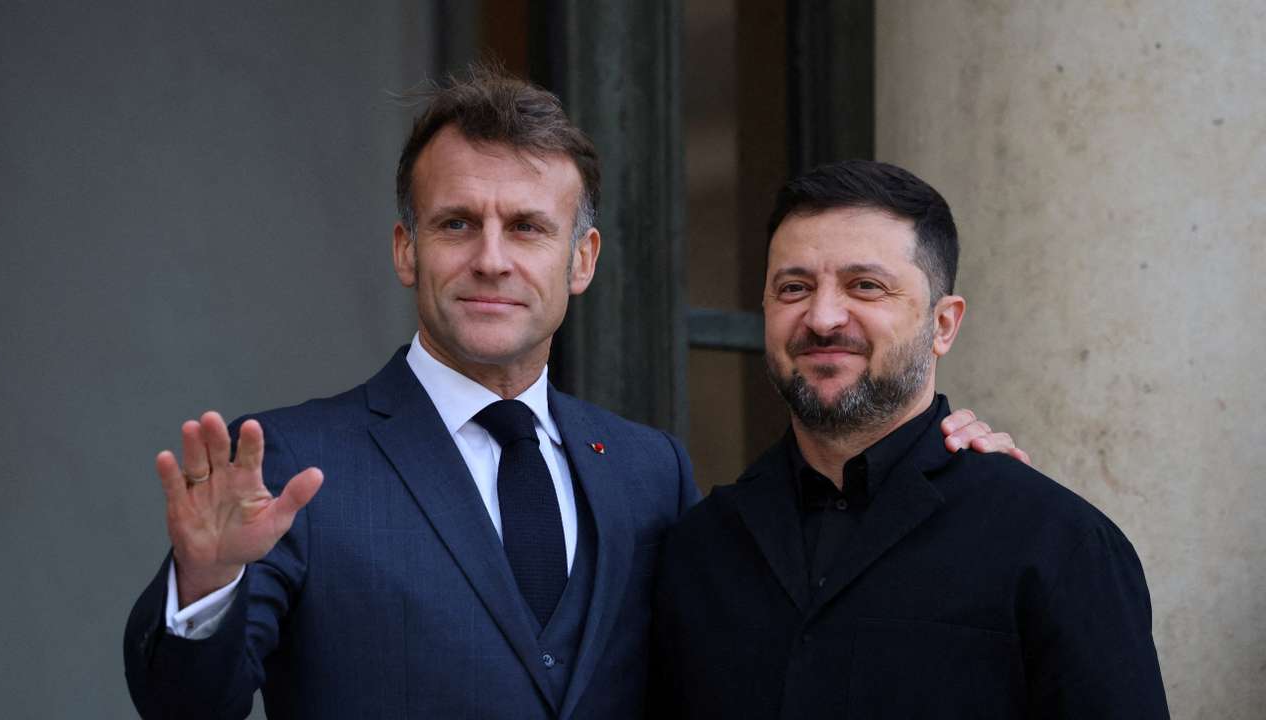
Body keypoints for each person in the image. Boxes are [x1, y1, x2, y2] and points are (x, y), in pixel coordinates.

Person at [123, 70, 1019, 719]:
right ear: (406, 249)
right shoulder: (290, 464)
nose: (492, 258)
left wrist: (949, 481)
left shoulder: (647, 468)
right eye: (456, 224)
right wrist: (206, 583)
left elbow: (780, 634)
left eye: (528, 227)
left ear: (580, 261)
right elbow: (185, 704)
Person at [650, 160, 1169, 719]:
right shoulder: (701, 547)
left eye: (865, 286)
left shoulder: (1058, 543)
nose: (822, 317)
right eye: (794, 287)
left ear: (943, 325)